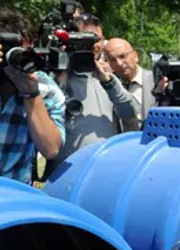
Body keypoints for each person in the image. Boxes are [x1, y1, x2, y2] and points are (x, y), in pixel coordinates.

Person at [0, 9, 64, 184]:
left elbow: (51, 149)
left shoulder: (46, 89)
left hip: (8, 188)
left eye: (19, 51)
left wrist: (32, 95)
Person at [44, 15, 138, 176]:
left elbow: (130, 112)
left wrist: (108, 81)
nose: (93, 45)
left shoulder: (108, 76)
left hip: (107, 170)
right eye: (84, 39)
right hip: (67, 173)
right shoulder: (57, 76)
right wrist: (62, 76)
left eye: (96, 39)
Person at [104, 37, 154, 131]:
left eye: (122, 56)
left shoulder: (155, 81)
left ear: (135, 56)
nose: (119, 63)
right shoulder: (110, 90)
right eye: (113, 60)